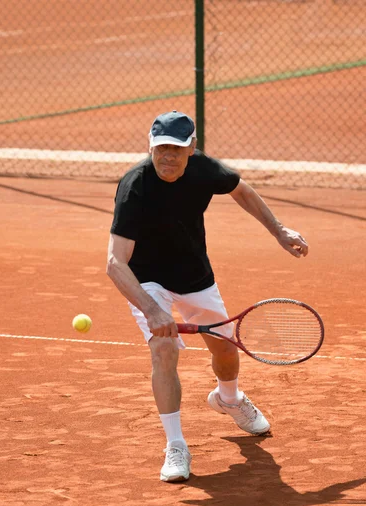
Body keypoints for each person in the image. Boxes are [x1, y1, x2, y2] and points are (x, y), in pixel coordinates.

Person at [106, 110, 308, 483]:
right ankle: (176, 445)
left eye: (176, 150)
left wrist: (279, 231)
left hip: (194, 276)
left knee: (226, 351)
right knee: (163, 349)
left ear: (192, 148)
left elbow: (242, 192)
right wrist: (152, 310)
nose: (167, 157)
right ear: (150, 147)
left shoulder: (203, 169)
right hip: (147, 280)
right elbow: (115, 263)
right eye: (160, 149)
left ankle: (228, 399)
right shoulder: (135, 187)